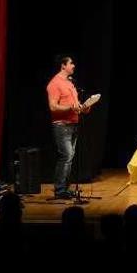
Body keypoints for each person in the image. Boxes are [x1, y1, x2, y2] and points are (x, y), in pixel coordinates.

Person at [46, 55, 92, 199]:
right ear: (63, 65)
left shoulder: (70, 83)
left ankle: (64, 188)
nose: (74, 66)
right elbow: (53, 107)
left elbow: (75, 105)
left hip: (73, 124)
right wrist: (70, 107)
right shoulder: (54, 83)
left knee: (70, 157)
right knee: (66, 156)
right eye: (71, 63)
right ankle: (60, 189)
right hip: (62, 126)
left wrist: (83, 107)